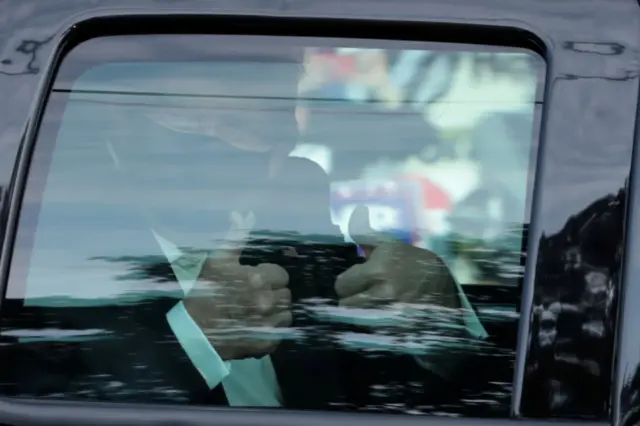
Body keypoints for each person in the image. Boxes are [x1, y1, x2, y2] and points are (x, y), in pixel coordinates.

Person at [4, 44, 488, 412]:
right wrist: (193, 342)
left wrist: (439, 319)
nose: (264, 156)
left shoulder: (295, 226)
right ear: (118, 117)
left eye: (276, 114)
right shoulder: (39, 238)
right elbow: (37, 397)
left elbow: (404, 395)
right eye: (206, 126)